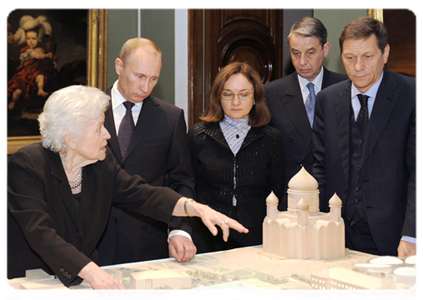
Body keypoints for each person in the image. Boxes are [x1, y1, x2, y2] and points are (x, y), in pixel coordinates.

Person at [5, 85, 249, 296]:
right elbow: (40, 233)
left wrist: (194, 208)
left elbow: (143, 194)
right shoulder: (28, 164)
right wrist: (92, 271)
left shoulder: (100, 164)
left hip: (81, 284)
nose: (108, 135)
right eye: (99, 127)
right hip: (29, 281)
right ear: (71, 139)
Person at [312, 17, 419, 257]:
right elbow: (320, 167)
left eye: (367, 57)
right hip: (338, 234)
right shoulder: (327, 100)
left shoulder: (412, 95)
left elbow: (418, 172)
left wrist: (413, 234)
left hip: (394, 236)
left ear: (385, 53)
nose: (358, 67)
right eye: (350, 58)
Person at [96, 37, 196, 265]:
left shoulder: (170, 118)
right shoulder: (90, 110)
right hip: (92, 240)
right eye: (139, 76)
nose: (145, 87)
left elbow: (181, 180)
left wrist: (179, 230)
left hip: (147, 241)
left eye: (153, 79)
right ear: (119, 66)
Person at [187, 62, 285, 253]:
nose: (236, 102)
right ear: (218, 97)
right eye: (228, 94)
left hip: (256, 235)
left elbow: (276, 191)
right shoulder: (198, 135)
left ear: (255, 97)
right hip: (208, 234)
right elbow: (190, 188)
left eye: (244, 94)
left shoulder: (271, 138)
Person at [264, 17, 347, 210]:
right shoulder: (271, 93)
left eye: (310, 52)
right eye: (295, 53)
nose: (302, 62)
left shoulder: (345, 88)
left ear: (325, 49)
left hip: (336, 199)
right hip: (291, 201)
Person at [6, 27, 53, 110]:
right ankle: (13, 101)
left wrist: (53, 61)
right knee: (18, 91)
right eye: (28, 38)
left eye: (33, 39)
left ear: (39, 39)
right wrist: (47, 55)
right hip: (26, 73)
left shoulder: (42, 49)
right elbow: (38, 56)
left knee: (40, 76)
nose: (30, 41)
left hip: (35, 71)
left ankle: (40, 90)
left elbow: (51, 58)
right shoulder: (27, 49)